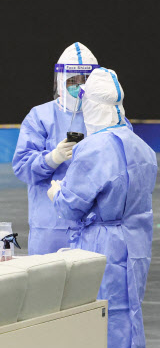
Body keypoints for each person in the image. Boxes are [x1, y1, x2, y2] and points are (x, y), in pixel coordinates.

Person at [45, 68, 159, 348]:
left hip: (100, 244)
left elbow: (72, 204)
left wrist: (56, 192)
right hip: (135, 243)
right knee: (124, 321)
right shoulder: (141, 146)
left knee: (97, 321)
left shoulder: (93, 149)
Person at [13, 43, 99, 255]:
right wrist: (52, 158)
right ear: (60, 80)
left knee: (88, 285)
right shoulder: (40, 116)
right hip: (51, 225)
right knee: (46, 284)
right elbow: (22, 167)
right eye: (72, 80)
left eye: (84, 80)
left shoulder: (105, 117)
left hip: (94, 223)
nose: (78, 86)